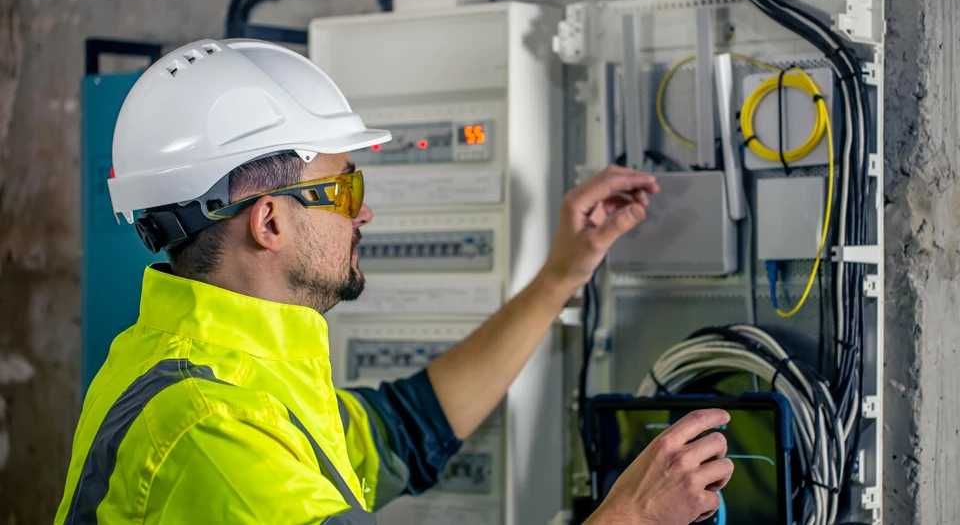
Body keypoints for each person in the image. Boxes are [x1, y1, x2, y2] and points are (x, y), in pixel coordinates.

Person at [56, 39, 732, 524]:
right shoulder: (213, 433)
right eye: (346, 189)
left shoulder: (227, 370)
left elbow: (409, 430)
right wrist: (632, 516)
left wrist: (562, 274)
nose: (365, 213)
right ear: (269, 222)